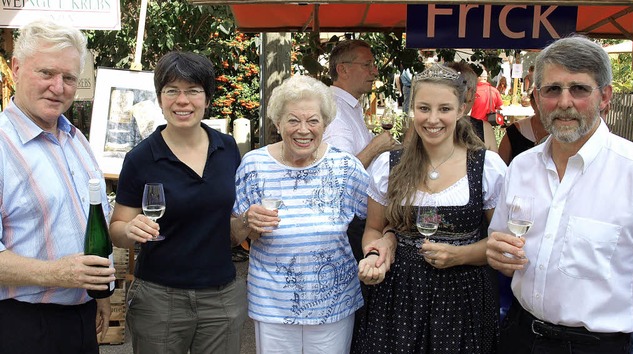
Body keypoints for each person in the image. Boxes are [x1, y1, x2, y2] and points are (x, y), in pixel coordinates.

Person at [486, 35, 633, 354]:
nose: (564, 102)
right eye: (553, 89)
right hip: (519, 336)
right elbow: (501, 249)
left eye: (579, 89)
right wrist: (498, 254)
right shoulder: (521, 167)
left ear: (606, 97)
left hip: (598, 347)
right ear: (538, 98)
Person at [353, 63, 507, 353]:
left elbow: (502, 243)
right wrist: (375, 255)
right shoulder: (389, 166)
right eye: (424, 108)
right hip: (399, 298)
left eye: (444, 109)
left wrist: (459, 255)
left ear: (462, 109)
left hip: (465, 300)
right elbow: (374, 228)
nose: (432, 119)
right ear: (412, 109)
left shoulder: (487, 167)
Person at [109, 51, 247, 354]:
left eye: (193, 91)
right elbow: (116, 229)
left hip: (221, 296)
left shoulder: (227, 149)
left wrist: (249, 221)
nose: (182, 101)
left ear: (207, 98)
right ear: (160, 98)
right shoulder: (141, 158)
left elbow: (232, 224)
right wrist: (130, 229)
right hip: (160, 298)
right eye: (172, 91)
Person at [0, 20, 116, 353]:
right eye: (47, 73)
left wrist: (100, 296)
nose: (58, 87)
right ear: (17, 68)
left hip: (80, 318)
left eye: (68, 78)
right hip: (22, 326)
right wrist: (57, 273)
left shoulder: (74, 138)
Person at [231, 74, 370, 353]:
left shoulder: (347, 167)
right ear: (278, 123)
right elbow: (233, 236)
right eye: (293, 120)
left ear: (326, 124)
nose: (303, 130)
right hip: (272, 303)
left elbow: (377, 222)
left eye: (313, 121)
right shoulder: (253, 165)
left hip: (334, 302)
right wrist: (247, 221)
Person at [323, 39, 396, 261]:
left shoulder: (348, 105)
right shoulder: (334, 109)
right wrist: (375, 147)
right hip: (348, 222)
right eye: (367, 65)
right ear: (342, 69)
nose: (374, 71)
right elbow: (339, 173)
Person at [447, 61, 499, 152]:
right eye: (475, 94)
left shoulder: (427, 124)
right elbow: (494, 163)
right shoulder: (484, 129)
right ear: (469, 94)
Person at [498, 87, 548, 165]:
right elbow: (500, 167)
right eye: (540, 102)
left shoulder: (564, 131)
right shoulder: (514, 132)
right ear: (532, 103)